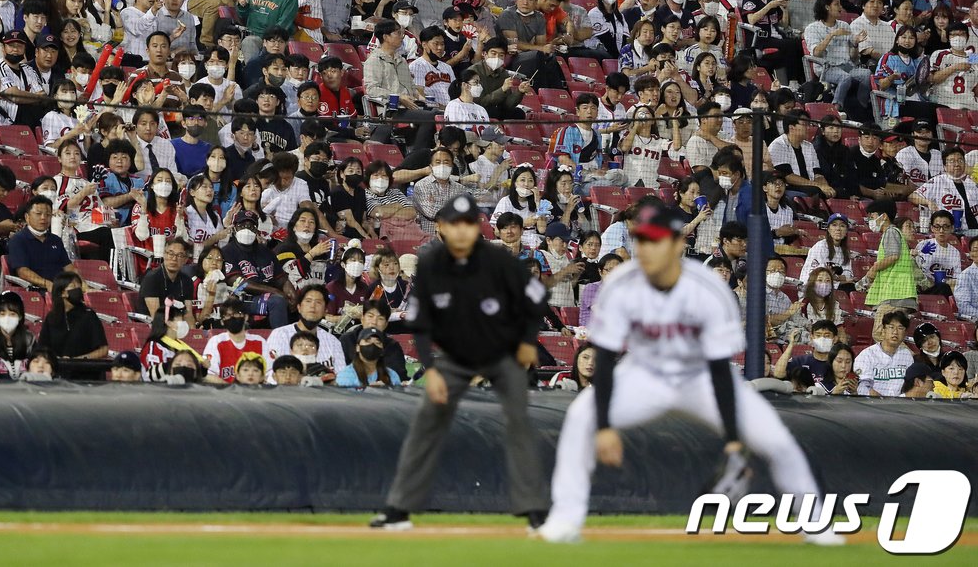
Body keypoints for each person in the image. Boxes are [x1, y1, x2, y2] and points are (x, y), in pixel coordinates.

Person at [536, 204, 838, 546]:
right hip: (643, 375)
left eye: (657, 240)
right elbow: (604, 356)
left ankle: (816, 525)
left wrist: (734, 437)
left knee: (777, 439)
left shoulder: (708, 289)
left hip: (700, 378)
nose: (647, 248)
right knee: (580, 417)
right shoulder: (622, 284)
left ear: (678, 244)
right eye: (643, 240)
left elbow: (719, 369)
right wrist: (604, 425)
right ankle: (564, 518)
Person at [371, 193, 548, 531]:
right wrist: (432, 370)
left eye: (470, 224)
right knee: (426, 423)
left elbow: (537, 298)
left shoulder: (499, 262)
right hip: (455, 357)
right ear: (441, 228)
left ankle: (535, 511)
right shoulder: (432, 265)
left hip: (501, 353)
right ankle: (398, 509)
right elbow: (420, 324)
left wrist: (527, 343)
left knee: (519, 422)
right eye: (456, 224)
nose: (463, 231)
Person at [854, 309, 916, 397]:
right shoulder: (867, 355)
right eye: (891, 327)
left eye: (900, 328)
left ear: (905, 333)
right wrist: (884, 402)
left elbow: (910, 386)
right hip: (873, 404)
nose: (895, 332)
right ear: (883, 330)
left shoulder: (906, 355)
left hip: (900, 405)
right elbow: (862, 388)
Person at [335, 327, 401, 388]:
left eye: (377, 342)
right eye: (367, 341)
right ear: (357, 347)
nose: (372, 345)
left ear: (382, 350)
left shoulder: (392, 375)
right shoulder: (346, 376)